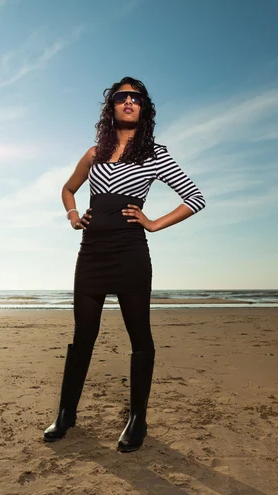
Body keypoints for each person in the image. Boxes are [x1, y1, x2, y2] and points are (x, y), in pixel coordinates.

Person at [43, 76, 206, 452]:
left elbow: (194, 197)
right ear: (112, 106)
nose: (128, 101)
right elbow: (68, 189)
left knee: (140, 337)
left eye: (136, 97)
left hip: (131, 254)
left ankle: (137, 419)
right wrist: (72, 215)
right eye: (121, 96)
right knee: (83, 336)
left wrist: (153, 224)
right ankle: (66, 413)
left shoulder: (155, 154)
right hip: (91, 254)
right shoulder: (93, 153)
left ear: (143, 107)